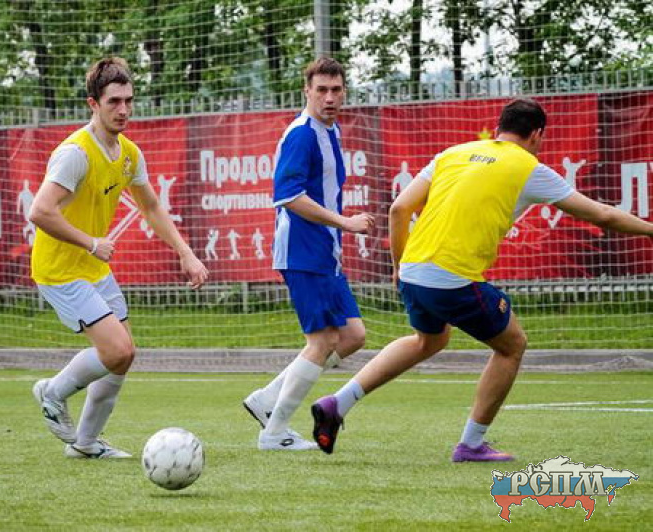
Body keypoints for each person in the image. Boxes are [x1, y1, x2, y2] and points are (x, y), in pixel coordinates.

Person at [311, 98, 653, 461]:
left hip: (412, 269)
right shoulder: (529, 167)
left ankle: (337, 403)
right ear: (537, 134)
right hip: (451, 277)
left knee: (429, 340)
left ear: (499, 127)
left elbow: (399, 209)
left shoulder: (452, 154)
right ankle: (471, 444)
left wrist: (398, 266)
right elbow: (603, 215)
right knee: (512, 345)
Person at [29, 57, 208, 459]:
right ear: (93, 104)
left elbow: (151, 207)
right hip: (59, 270)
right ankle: (52, 392)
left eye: (128, 100)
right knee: (117, 351)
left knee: (123, 357)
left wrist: (186, 254)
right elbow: (39, 211)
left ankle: (85, 444)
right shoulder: (75, 153)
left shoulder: (128, 153)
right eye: (113, 101)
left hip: (92, 268)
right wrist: (91, 243)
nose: (123, 109)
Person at [243, 57, 375, 451]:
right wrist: (344, 222)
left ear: (344, 92)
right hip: (302, 251)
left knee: (352, 336)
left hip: (325, 253)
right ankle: (274, 432)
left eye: (336, 90)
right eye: (321, 90)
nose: (329, 97)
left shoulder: (329, 131)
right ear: (307, 91)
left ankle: (268, 398)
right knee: (323, 340)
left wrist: (337, 234)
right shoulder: (301, 135)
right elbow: (288, 196)